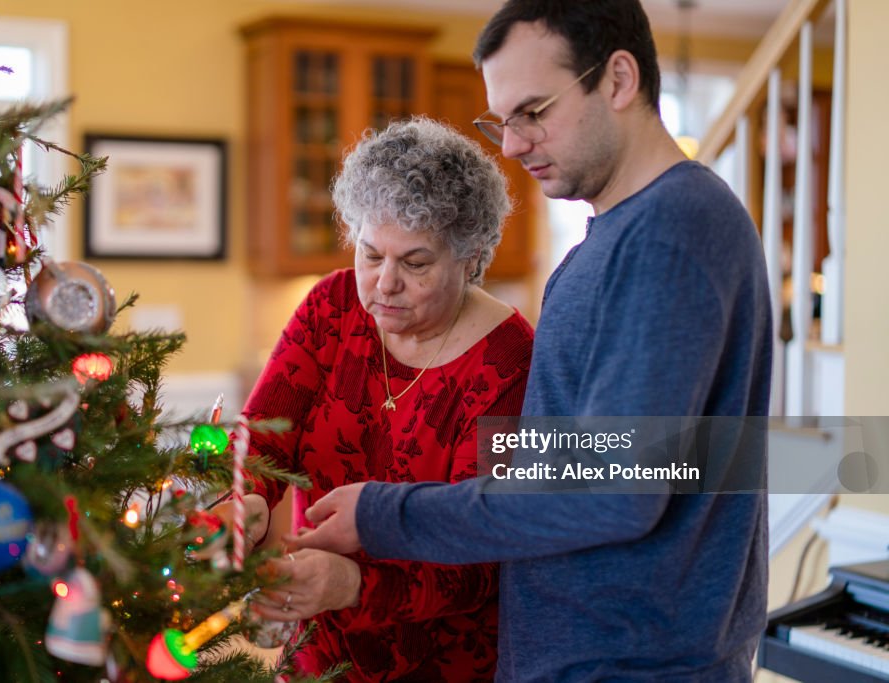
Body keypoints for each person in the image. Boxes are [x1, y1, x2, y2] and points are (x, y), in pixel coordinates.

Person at [289, 2, 773, 682]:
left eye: (533, 111)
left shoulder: (672, 232)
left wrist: (383, 511)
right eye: (501, 120)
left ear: (618, 80)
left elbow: (615, 486)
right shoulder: (609, 243)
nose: (511, 145)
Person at [227, 116, 534, 681]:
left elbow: (487, 554)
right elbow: (264, 430)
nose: (384, 283)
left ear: (470, 257)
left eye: (415, 263)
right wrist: (242, 497)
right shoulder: (332, 306)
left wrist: (351, 584)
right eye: (370, 255)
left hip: (446, 661)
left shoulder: (509, 362)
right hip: (318, 646)